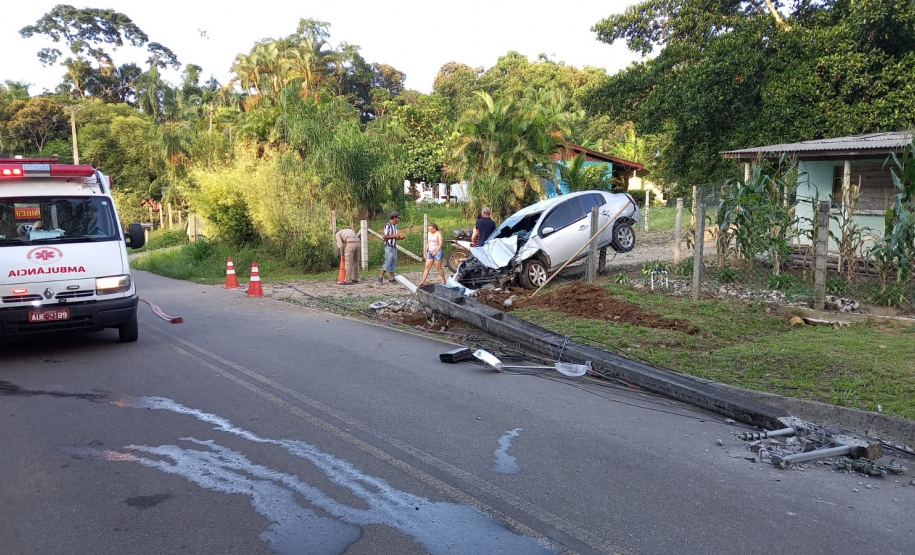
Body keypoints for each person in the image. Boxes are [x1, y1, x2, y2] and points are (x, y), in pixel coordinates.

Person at [378, 211, 405, 284]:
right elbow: (384, 236)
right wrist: (394, 236)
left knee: (394, 261)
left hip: (394, 246)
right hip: (388, 246)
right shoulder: (388, 225)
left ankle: (391, 278)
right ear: (394, 217)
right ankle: (380, 277)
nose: (398, 219)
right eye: (398, 218)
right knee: (388, 261)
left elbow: (394, 237)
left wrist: (400, 238)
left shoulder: (395, 226)